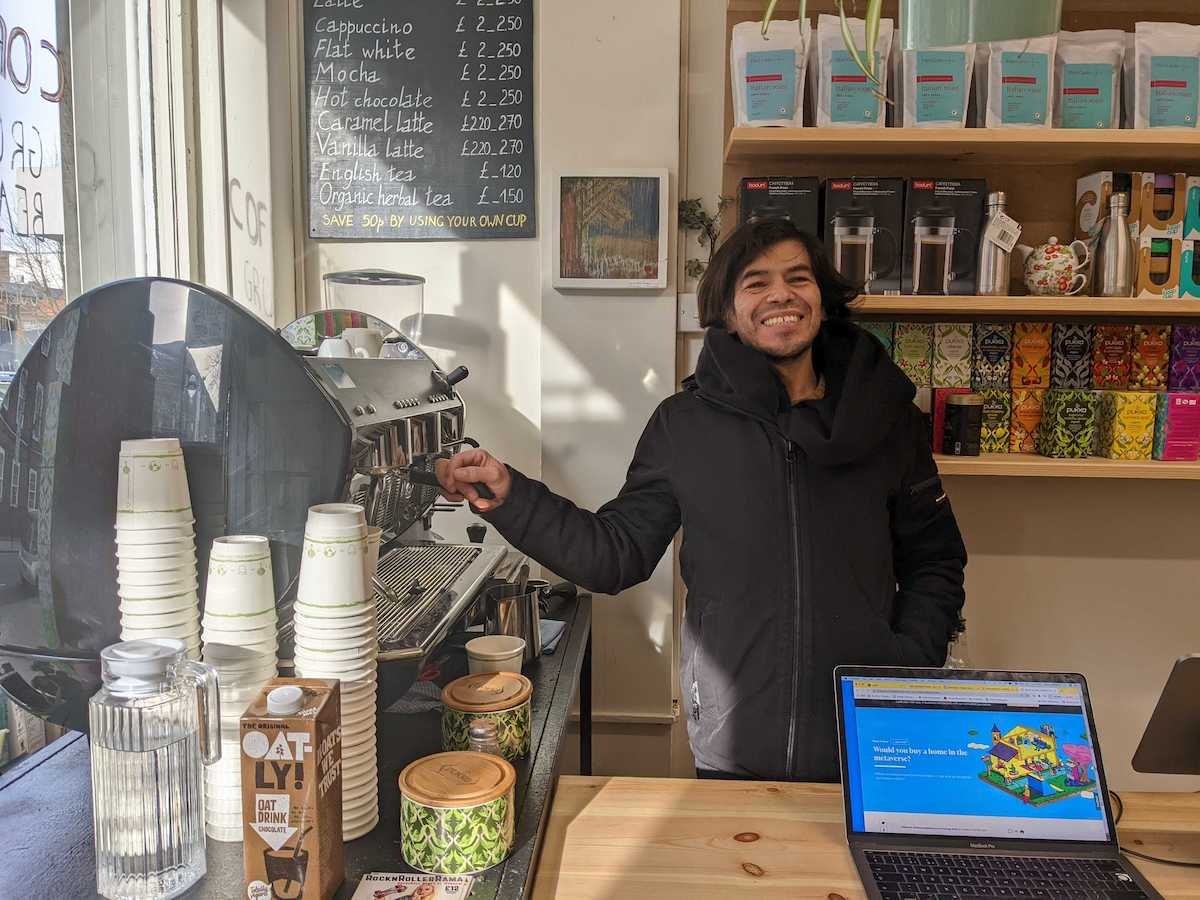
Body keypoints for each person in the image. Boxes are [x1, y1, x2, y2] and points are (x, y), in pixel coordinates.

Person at [436, 218, 967, 781]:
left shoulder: (889, 421)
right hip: (733, 744)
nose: (780, 294)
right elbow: (615, 555)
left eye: (798, 278)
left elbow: (935, 558)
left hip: (869, 740)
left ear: (822, 298)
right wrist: (511, 496)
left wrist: (907, 663)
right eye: (756, 282)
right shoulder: (684, 426)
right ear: (730, 313)